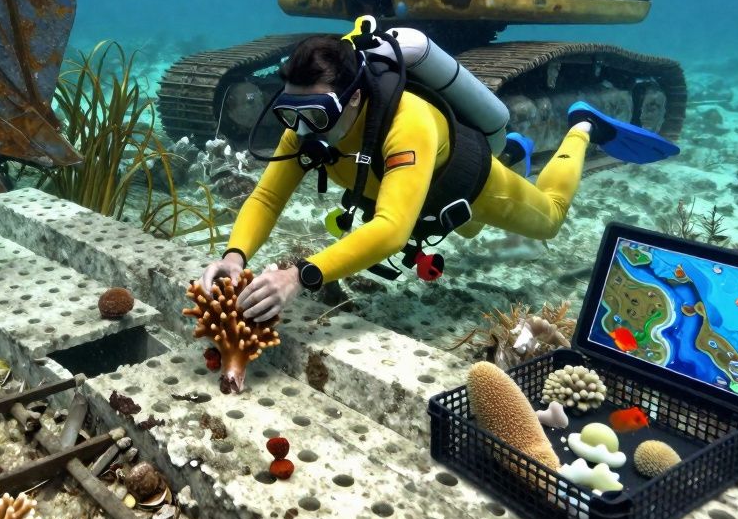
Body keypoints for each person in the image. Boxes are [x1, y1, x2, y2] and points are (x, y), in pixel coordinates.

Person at [197, 21, 678, 325]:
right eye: (290, 112)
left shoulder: (407, 124)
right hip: (418, 198)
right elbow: (266, 199)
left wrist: (299, 276)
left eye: (317, 113)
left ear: (356, 97)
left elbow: (391, 230)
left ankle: (582, 127)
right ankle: (516, 150)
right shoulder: (305, 125)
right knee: (468, 232)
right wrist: (235, 256)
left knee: (549, 219)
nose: (302, 128)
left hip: (467, 186)